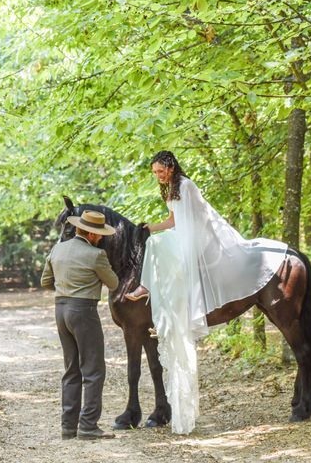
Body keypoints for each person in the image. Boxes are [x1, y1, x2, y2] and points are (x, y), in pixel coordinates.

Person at [125, 150, 288, 434]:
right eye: (154, 173)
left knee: (156, 246)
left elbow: (202, 222)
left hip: (195, 243)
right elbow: (173, 222)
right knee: (153, 241)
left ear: (171, 166)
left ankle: (146, 288)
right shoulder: (169, 191)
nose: (158, 176)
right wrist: (152, 227)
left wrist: (180, 242)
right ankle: (156, 302)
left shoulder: (187, 186)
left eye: (160, 171)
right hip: (180, 238)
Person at [41, 210, 120, 440]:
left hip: (61, 310)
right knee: (94, 370)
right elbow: (113, 283)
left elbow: (45, 281)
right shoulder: (96, 255)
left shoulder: (57, 249)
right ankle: (88, 425)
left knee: (71, 369)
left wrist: (66, 287)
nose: (102, 238)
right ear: (93, 234)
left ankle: (68, 426)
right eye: (100, 234)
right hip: (84, 311)